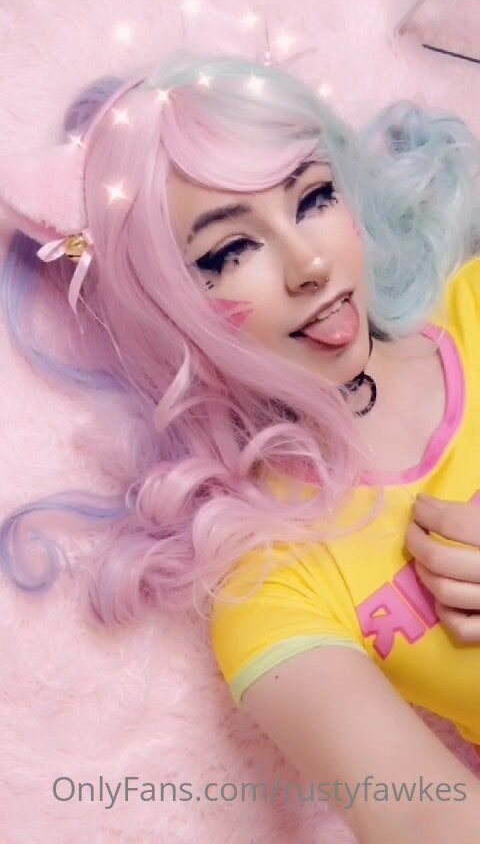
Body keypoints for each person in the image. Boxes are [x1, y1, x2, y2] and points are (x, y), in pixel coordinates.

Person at [0, 50, 480, 843]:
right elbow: (428, 819)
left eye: (314, 197)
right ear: (166, 309)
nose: (309, 264)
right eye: (230, 252)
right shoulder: (272, 581)